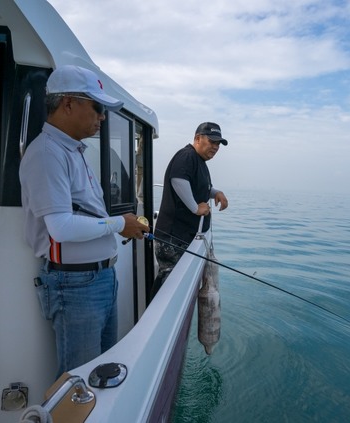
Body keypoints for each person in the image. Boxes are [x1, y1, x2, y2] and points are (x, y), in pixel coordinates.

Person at [19, 65, 149, 377]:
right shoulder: (48, 153)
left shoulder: (72, 150)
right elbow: (60, 227)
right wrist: (121, 224)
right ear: (68, 104)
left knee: (102, 374)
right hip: (76, 286)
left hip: (99, 279)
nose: (102, 117)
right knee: (79, 383)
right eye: (97, 107)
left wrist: (123, 224)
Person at [151, 122, 229, 298]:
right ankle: (154, 319)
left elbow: (199, 187)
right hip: (172, 238)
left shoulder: (199, 161)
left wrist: (216, 193)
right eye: (212, 141)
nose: (216, 147)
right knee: (168, 283)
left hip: (182, 237)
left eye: (218, 144)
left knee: (173, 283)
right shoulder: (186, 156)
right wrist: (195, 208)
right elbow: (178, 180)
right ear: (198, 138)